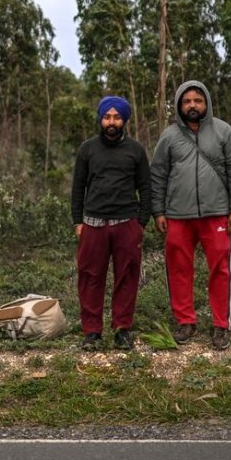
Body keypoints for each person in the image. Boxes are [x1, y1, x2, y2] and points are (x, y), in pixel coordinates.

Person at [150, 80, 231, 350]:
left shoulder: (224, 132)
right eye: (186, 101)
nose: (192, 105)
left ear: (206, 103)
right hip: (177, 215)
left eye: (197, 100)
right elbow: (158, 175)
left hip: (217, 214)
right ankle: (185, 321)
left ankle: (221, 325)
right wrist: (158, 210)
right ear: (179, 105)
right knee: (179, 269)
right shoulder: (169, 136)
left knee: (220, 268)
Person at [71, 95, 151, 350]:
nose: (111, 122)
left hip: (127, 222)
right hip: (93, 223)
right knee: (90, 278)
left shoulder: (135, 150)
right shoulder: (88, 149)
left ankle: (122, 329)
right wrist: (77, 221)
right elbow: (78, 187)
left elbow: (145, 187)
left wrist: (141, 222)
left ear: (124, 120)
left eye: (116, 117)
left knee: (127, 277)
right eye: (107, 117)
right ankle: (92, 332)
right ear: (101, 119)